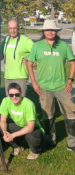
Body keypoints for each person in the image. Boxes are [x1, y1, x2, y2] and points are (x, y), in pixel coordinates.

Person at [27, 20, 75, 152]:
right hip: (43, 87)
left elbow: (73, 63)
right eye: (47, 30)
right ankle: (50, 140)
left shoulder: (63, 46)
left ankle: (72, 143)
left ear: (56, 31)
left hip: (62, 86)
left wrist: (70, 80)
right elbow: (29, 64)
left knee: (71, 114)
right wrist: (34, 83)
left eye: (53, 30)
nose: (50, 32)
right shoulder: (37, 46)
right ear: (43, 31)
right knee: (47, 115)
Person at [0, 83, 44, 160]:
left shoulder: (29, 104)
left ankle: (35, 151)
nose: (14, 97)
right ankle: (17, 147)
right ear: (8, 94)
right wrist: (5, 132)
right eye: (11, 95)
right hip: (19, 126)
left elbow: (30, 127)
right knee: (1, 128)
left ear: (21, 93)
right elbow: (3, 120)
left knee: (31, 137)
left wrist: (12, 135)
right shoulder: (5, 101)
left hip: (34, 128)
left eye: (17, 94)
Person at [0, 20, 35, 96]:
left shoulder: (26, 40)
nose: (12, 30)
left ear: (18, 28)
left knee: (20, 99)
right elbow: (0, 58)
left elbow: (38, 53)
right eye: (10, 28)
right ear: (8, 28)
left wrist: (32, 62)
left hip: (20, 76)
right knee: (10, 100)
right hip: (7, 76)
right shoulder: (5, 40)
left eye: (14, 28)